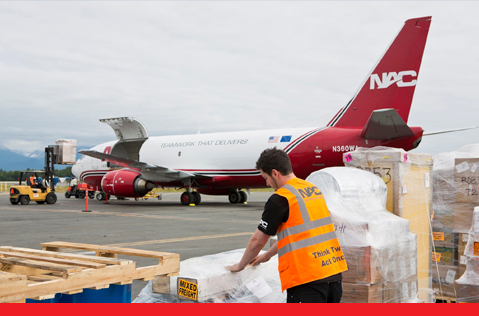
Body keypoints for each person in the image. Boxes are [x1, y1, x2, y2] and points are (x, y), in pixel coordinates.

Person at [227, 147, 348, 303]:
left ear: (275, 173)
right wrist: (267, 255)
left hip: (307, 281)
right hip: (333, 276)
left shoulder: (280, 199)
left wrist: (240, 266)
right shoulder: (312, 189)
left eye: (266, 177)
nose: (267, 183)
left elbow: (257, 241)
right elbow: (298, 235)